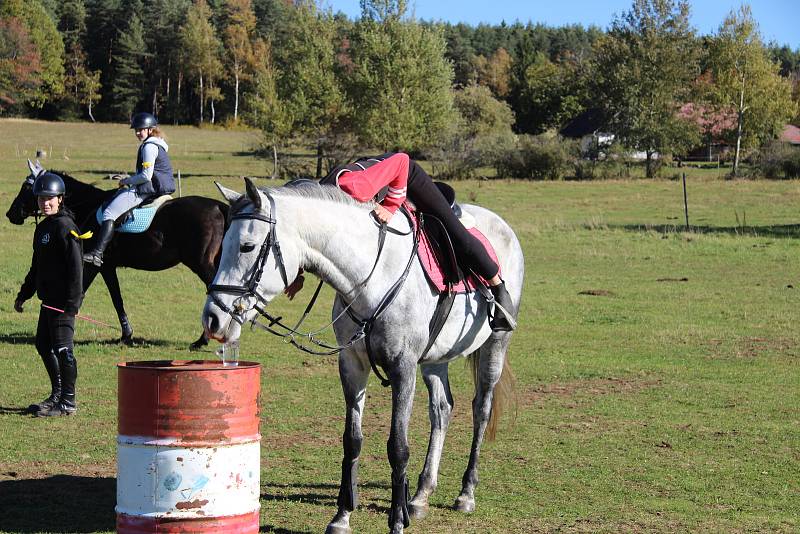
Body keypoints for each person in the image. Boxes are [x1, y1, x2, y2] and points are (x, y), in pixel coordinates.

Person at [307, 152, 514, 331]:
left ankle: (499, 289)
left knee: (456, 233)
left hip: (408, 175)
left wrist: (390, 205)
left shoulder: (355, 189)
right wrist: (298, 275)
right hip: (379, 176)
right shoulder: (315, 204)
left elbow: (402, 161)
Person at [14, 173, 83, 416]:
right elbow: (37, 267)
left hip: (63, 304)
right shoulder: (43, 228)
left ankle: (68, 402)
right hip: (48, 302)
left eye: (50, 198)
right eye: (42, 199)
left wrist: (73, 304)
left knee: (64, 350)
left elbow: (77, 269)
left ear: (60, 199)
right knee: (43, 345)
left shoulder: (66, 227)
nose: (46, 203)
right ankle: (57, 394)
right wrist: (24, 294)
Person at [83, 112, 176, 266]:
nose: (138, 133)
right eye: (136, 130)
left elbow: (146, 176)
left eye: (141, 130)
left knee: (109, 212)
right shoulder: (158, 143)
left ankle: (97, 254)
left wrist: (127, 180)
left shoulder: (149, 146)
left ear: (150, 129)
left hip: (147, 190)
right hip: (159, 188)